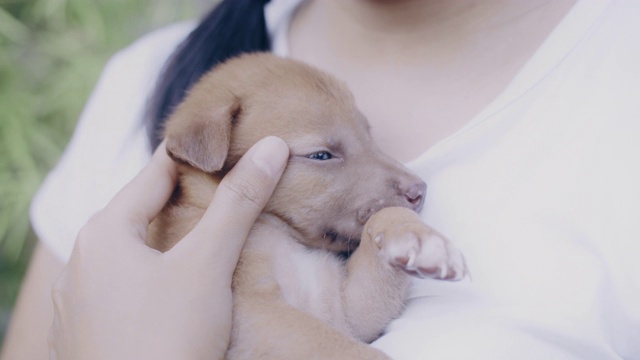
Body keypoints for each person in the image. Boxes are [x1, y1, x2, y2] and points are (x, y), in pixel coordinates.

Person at [2, 0, 639, 358]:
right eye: (324, 155)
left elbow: (348, 312)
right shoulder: (149, 79)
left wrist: (390, 234)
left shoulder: (616, 79)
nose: (406, 178)